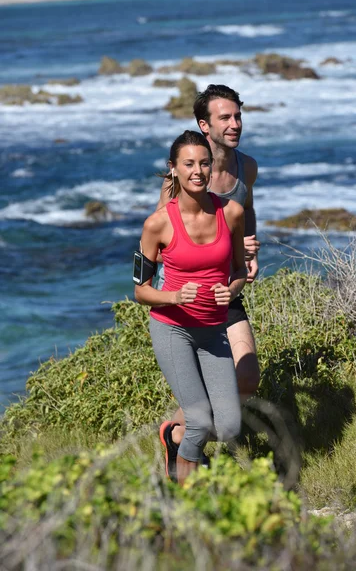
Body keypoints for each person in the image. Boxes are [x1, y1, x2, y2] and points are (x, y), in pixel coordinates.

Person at [135, 130, 247, 485]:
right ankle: (188, 499)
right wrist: (173, 297)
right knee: (199, 420)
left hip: (213, 331)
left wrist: (231, 291)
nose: (197, 171)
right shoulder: (157, 224)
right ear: (173, 169)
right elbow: (140, 291)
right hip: (173, 329)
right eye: (188, 164)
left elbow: (241, 271)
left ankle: (174, 438)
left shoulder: (231, 212)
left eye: (203, 163)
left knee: (228, 427)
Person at [157, 85, 260, 416]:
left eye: (238, 116)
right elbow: (160, 242)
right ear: (205, 125)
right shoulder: (182, 177)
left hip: (224, 289)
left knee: (247, 378)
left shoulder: (247, 168)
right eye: (225, 117)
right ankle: (185, 441)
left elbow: (247, 209)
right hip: (181, 293)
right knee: (198, 398)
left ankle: (199, 438)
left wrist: (248, 251)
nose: (235, 124)